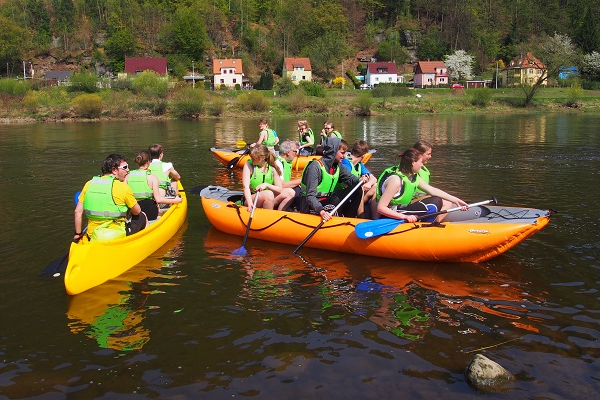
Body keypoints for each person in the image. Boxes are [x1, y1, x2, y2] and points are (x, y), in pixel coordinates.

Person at [375, 148, 468, 223]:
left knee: (439, 200)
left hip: (403, 208)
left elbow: (433, 190)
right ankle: (428, 225)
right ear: (413, 163)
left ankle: (429, 222)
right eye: (421, 162)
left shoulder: (412, 176)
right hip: (392, 213)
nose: (422, 165)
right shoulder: (395, 181)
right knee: (432, 205)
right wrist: (405, 217)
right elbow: (381, 208)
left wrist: (456, 200)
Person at [74, 154, 147, 241]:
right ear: (114, 170)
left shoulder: (89, 184)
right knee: (142, 216)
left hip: (92, 235)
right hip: (115, 236)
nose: (128, 170)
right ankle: (143, 244)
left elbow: (77, 212)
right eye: (125, 167)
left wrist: (78, 234)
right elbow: (137, 211)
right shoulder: (123, 187)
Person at [295, 138, 368, 221]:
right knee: (334, 200)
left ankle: (349, 219)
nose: (344, 156)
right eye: (342, 153)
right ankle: (339, 223)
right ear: (333, 151)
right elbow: (310, 196)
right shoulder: (315, 167)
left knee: (357, 189)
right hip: (311, 206)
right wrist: (321, 211)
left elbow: (350, 178)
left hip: (327, 201)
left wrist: (360, 180)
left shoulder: (337, 166)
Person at [126, 150, 183, 220]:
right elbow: (158, 199)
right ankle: (159, 217)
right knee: (157, 207)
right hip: (149, 212)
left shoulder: (127, 176)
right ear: (148, 162)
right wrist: (175, 200)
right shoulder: (152, 177)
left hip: (133, 211)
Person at [340, 140, 377, 218]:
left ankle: (375, 218)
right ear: (363, 156)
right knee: (360, 190)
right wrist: (362, 181)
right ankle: (361, 217)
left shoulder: (359, 165)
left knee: (375, 186)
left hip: (354, 196)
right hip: (344, 197)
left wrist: (368, 184)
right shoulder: (345, 163)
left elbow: (374, 178)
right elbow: (347, 183)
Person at [242, 145, 283, 212]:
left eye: (254, 158)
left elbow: (279, 189)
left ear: (263, 158)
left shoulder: (272, 168)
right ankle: (268, 216)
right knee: (268, 194)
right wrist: (250, 203)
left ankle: (278, 214)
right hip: (252, 198)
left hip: (269, 197)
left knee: (289, 192)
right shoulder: (249, 165)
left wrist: (267, 185)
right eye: (251, 158)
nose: (252, 160)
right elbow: (245, 186)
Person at [274, 140, 301, 211]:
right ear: (288, 152)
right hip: (274, 194)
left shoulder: (285, 162)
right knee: (296, 191)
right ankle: (281, 212)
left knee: (299, 189)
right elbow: (282, 185)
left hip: (281, 192)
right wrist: (301, 180)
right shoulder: (278, 163)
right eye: (295, 151)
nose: (296, 154)